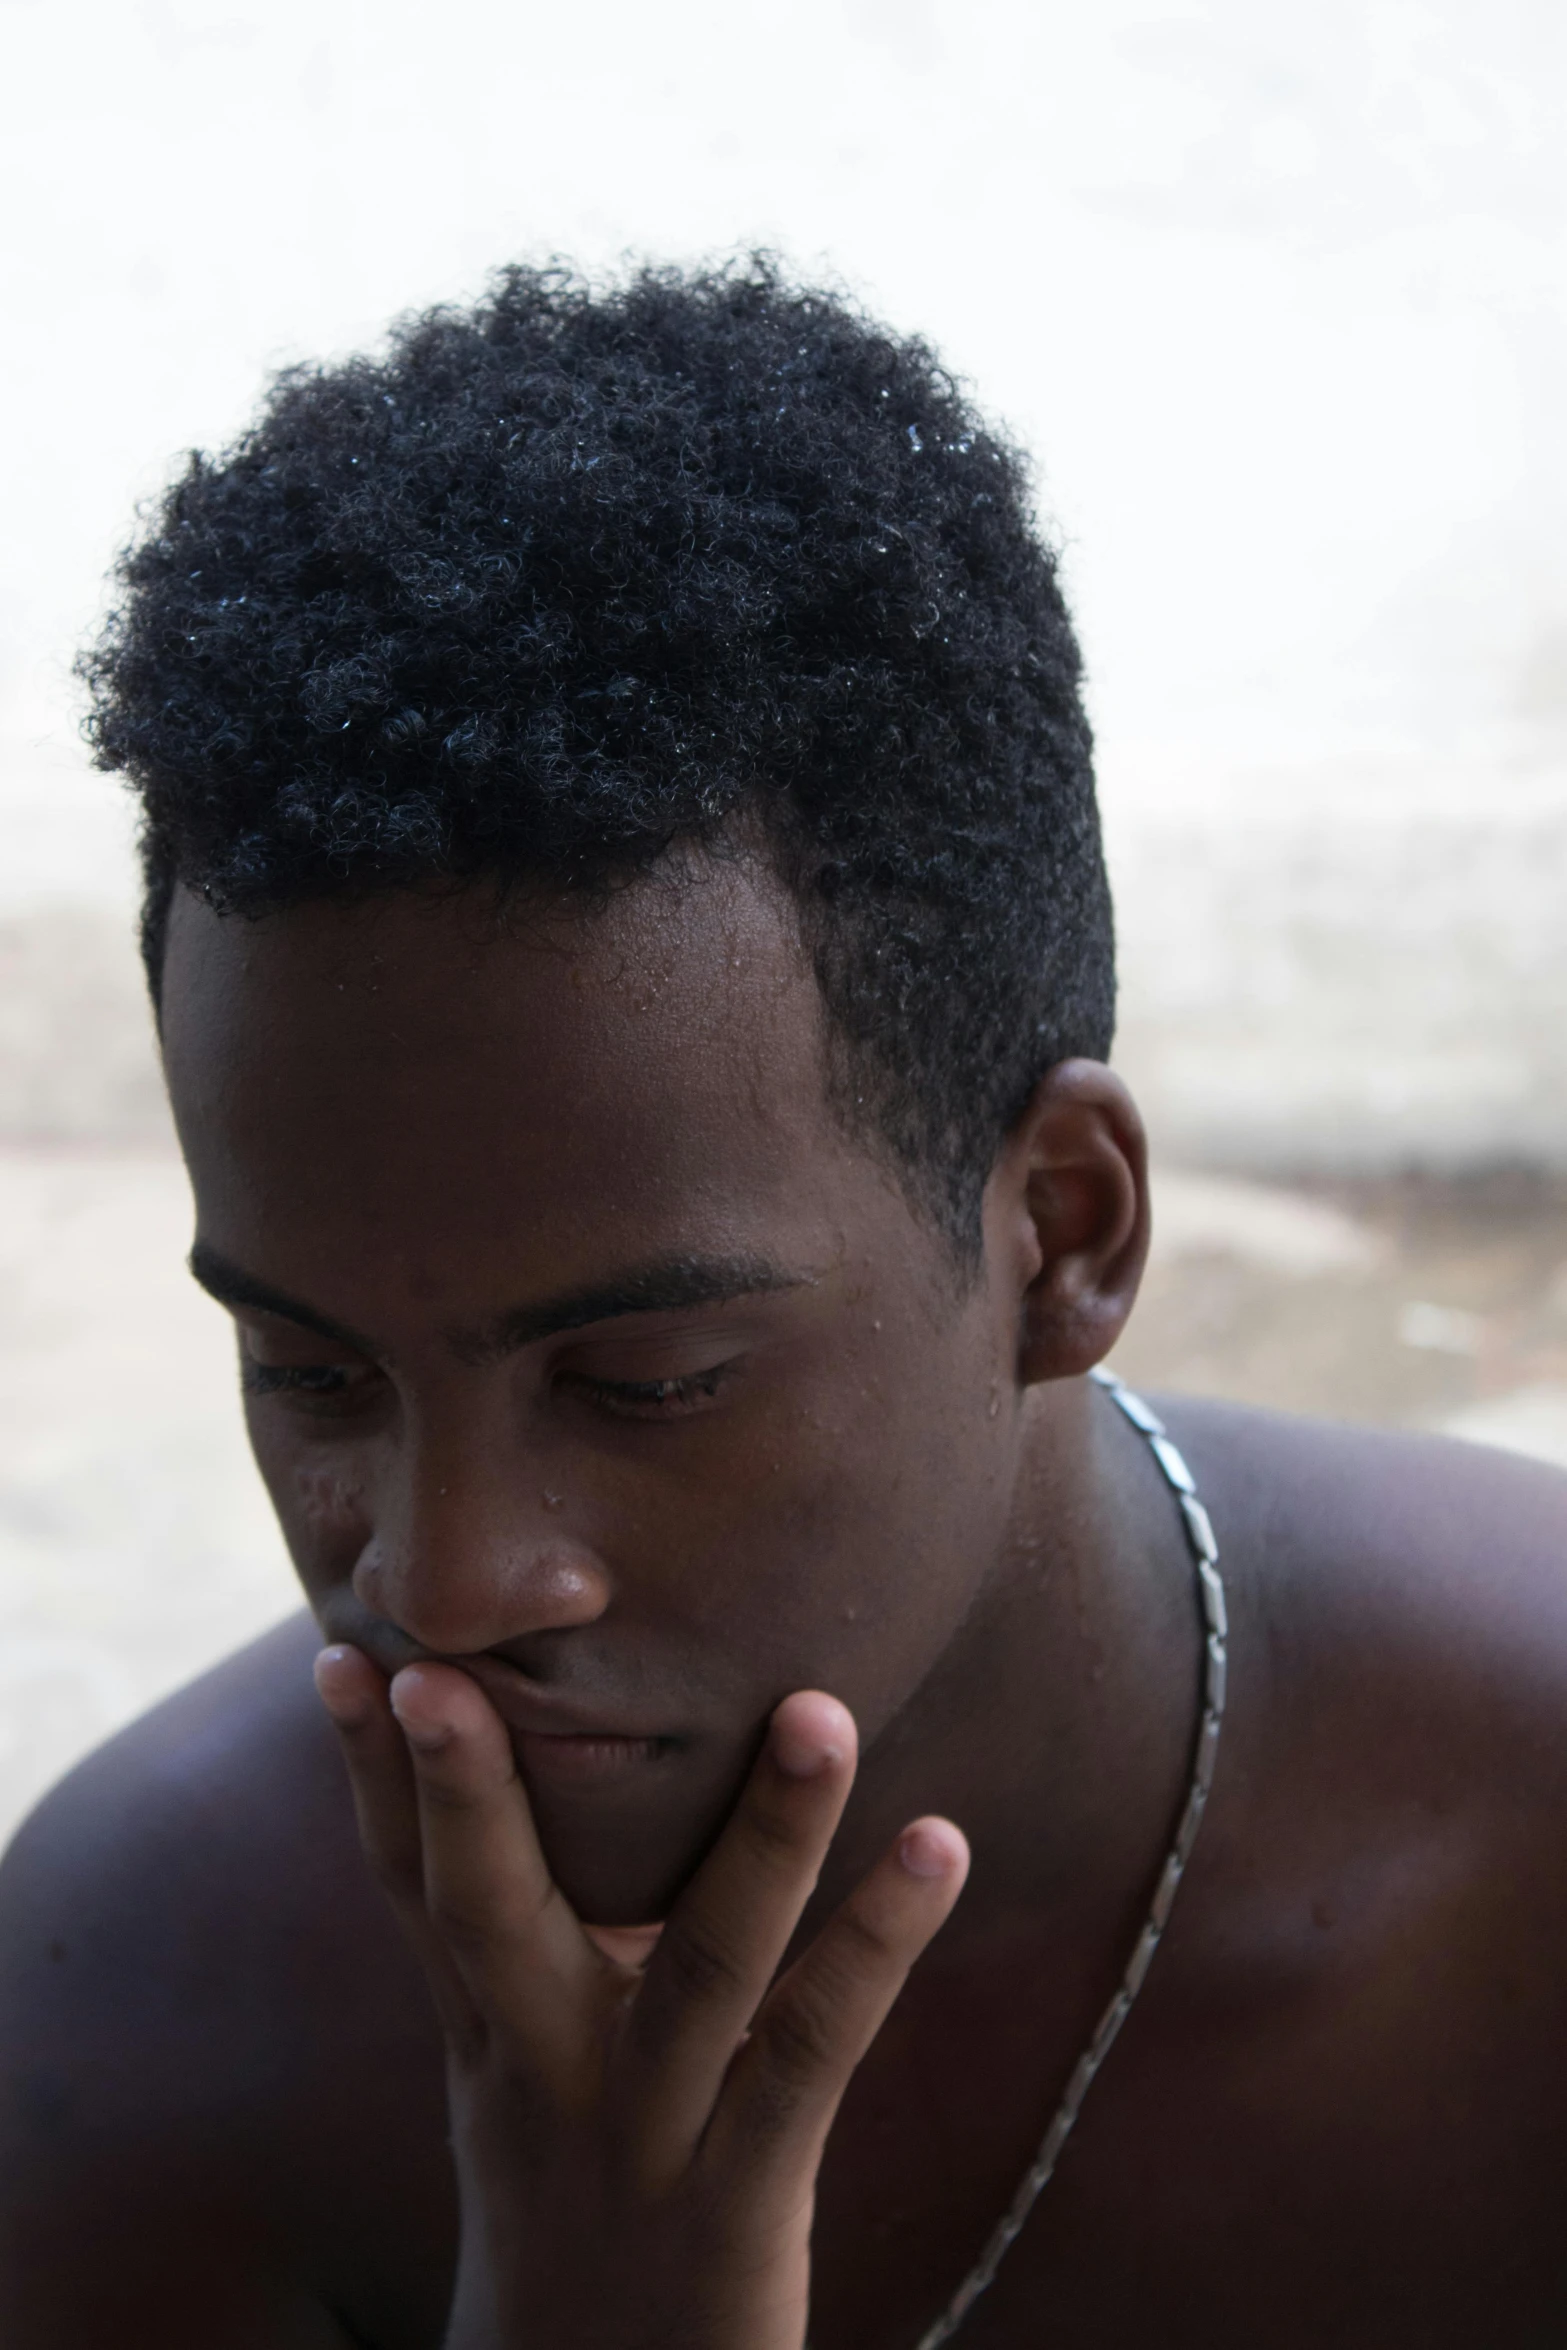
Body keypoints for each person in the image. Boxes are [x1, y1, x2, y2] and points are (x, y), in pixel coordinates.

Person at [2, 257, 1565, 2350]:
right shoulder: (139, 2023)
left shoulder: (1520, 1870)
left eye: (645, 1376)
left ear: (1064, 1229)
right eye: (310, 1366)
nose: (442, 1571)